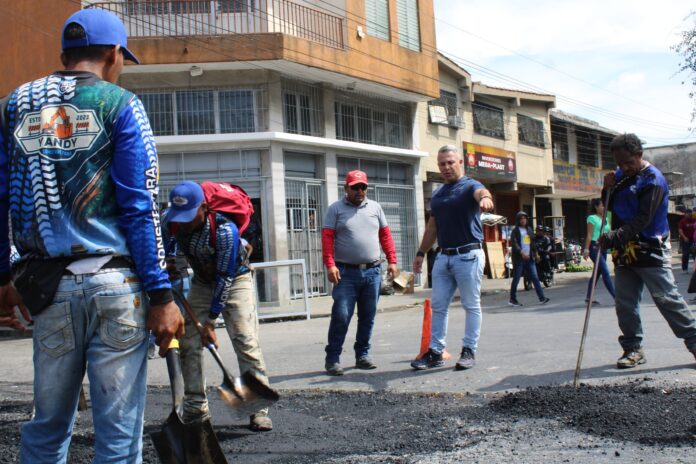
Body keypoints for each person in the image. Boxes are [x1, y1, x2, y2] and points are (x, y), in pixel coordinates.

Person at [0, 9, 184, 462]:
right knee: (119, 439)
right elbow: (139, 206)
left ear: (64, 54)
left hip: (49, 291)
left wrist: (3, 278)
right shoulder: (121, 105)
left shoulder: (14, 104)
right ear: (112, 53)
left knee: (47, 428)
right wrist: (161, 296)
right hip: (116, 288)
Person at [165, 181, 274, 431]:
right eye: (178, 217)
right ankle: (195, 407)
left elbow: (224, 278)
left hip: (235, 280)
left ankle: (258, 409)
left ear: (204, 208)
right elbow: (163, 251)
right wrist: (166, 265)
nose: (183, 222)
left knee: (246, 341)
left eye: (189, 216)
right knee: (188, 342)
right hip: (202, 282)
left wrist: (211, 322)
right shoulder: (171, 221)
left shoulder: (225, 230)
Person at [601, 133, 696, 368]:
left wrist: (616, 236)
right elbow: (609, 205)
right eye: (620, 164)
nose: (625, 168)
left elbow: (643, 218)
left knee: (667, 298)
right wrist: (607, 189)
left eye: (629, 163)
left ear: (639, 155)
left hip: (650, 248)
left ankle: (694, 342)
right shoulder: (621, 176)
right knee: (625, 303)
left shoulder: (653, 180)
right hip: (625, 251)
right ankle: (633, 349)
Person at [411, 145, 494, 370]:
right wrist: (421, 253)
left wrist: (485, 198)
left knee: (470, 304)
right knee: (438, 306)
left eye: (450, 162)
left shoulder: (469, 186)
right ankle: (435, 352)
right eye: (442, 164)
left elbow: (481, 192)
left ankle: (469, 351)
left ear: (460, 163)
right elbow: (431, 228)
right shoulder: (438, 195)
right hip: (443, 257)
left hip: (469, 255)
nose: (446, 167)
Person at [322, 170, 397, 375]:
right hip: (345, 273)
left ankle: (362, 355)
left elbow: (385, 236)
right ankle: (333, 358)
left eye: (363, 187)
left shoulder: (375, 208)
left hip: (372, 272)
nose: (359, 191)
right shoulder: (335, 209)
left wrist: (392, 260)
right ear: (346, 188)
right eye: (355, 187)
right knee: (341, 315)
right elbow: (327, 239)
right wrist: (330, 264)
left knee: (368, 316)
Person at [508, 212, 550, 307]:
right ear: (518, 220)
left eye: (524, 218)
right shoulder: (515, 231)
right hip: (519, 259)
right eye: (521, 218)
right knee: (517, 279)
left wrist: (536, 254)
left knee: (535, 278)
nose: (523, 220)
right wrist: (522, 253)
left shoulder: (529, 229)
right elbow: (514, 244)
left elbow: (532, 243)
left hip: (530, 258)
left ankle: (541, 298)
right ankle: (512, 299)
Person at [582, 198, 616, 305]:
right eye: (602, 205)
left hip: (604, 247)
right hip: (594, 247)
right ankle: (616, 297)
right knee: (605, 271)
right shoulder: (591, 218)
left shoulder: (605, 218)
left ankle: (589, 296)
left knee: (597, 273)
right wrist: (586, 249)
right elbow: (589, 234)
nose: (604, 207)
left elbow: (609, 233)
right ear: (596, 207)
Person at [678, 208, 696, 273]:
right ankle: (684, 268)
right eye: (687, 214)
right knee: (686, 254)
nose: (689, 215)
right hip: (686, 240)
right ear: (685, 214)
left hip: (693, 240)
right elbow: (680, 230)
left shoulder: (694, 220)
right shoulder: (683, 221)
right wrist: (684, 237)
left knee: (694, 255)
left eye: (690, 213)